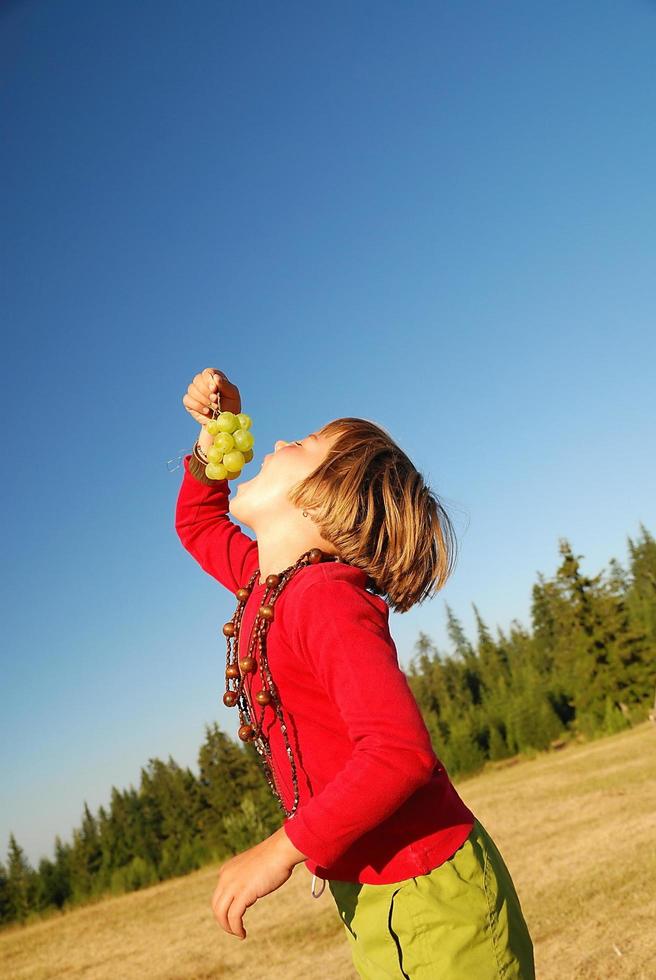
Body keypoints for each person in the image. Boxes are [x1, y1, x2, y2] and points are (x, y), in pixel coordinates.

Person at [175, 366, 535, 978]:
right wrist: (211, 444)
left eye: (309, 444)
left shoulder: (324, 598)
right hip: (373, 896)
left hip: (435, 901)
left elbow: (397, 752)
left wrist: (280, 851)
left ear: (331, 503)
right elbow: (200, 525)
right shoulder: (271, 589)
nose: (283, 441)